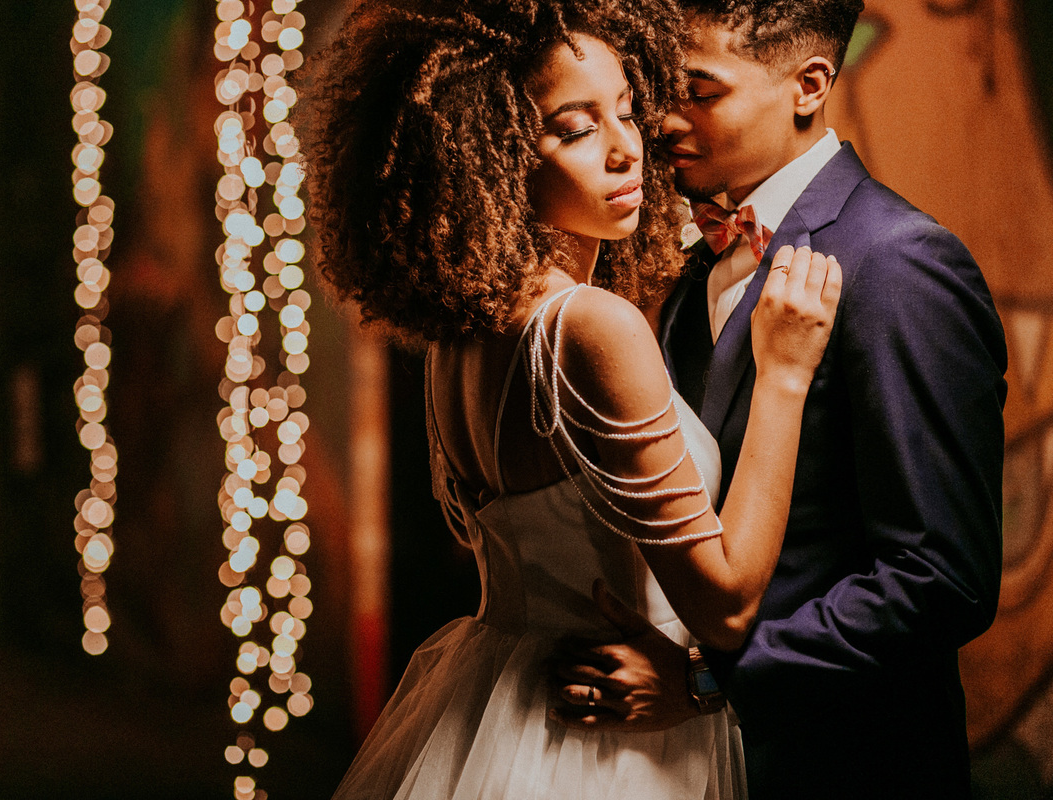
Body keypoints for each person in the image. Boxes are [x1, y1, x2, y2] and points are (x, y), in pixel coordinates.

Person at [303, 0, 840, 797]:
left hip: (500, 703)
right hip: (608, 746)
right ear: (492, 153)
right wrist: (785, 376)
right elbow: (725, 609)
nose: (629, 150)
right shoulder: (591, 327)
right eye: (577, 127)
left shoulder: (466, 335)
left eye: (627, 110)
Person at [551, 1, 1008, 798]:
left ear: (809, 84)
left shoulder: (900, 264)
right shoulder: (691, 270)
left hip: (848, 767)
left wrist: (708, 681)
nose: (660, 120)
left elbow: (941, 580)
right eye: (657, 89)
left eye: (699, 90)